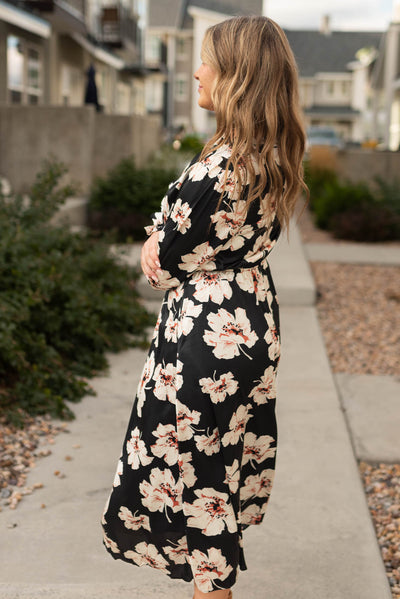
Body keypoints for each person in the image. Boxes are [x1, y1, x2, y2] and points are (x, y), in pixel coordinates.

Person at [101, 15, 307, 599]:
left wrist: (153, 241)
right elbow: (184, 238)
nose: (196, 71)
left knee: (196, 483)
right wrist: (163, 236)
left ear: (237, 75)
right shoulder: (265, 151)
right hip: (247, 324)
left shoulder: (221, 166)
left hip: (206, 341)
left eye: (206, 61)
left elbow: (163, 260)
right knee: (216, 472)